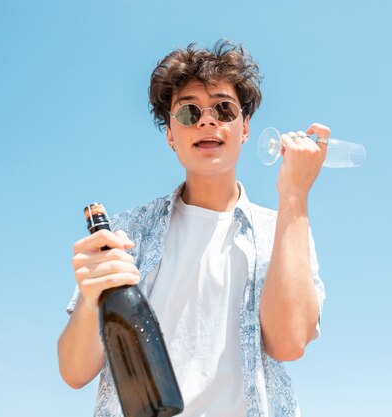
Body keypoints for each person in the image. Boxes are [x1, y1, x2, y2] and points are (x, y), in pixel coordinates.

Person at [58, 40, 329, 417]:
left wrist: (295, 196)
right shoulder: (124, 234)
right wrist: (91, 301)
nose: (206, 120)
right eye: (188, 112)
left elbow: (289, 344)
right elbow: (74, 371)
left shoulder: (281, 229)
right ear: (171, 134)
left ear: (245, 127)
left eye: (223, 108)